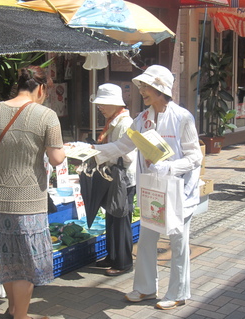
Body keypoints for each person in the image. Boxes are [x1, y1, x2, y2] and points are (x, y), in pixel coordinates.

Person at [92, 65, 203, 310]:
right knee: (145, 239)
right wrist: (90, 150)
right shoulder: (142, 119)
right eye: (141, 87)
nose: (141, 91)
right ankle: (145, 288)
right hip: (153, 191)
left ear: (161, 88)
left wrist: (170, 167)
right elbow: (122, 146)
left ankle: (178, 292)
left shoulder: (182, 117)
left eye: (146, 87)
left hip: (179, 191)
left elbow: (195, 157)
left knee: (178, 241)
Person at [0, 65, 65, 319]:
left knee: (5, 256)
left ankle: (14, 309)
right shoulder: (47, 116)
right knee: (26, 263)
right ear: (41, 88)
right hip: (28, 199)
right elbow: (57, 158)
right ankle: (21, 316)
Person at [90, 83, 137, 276]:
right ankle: (112, 256)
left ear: (114, 104)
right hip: (114, 176)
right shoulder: (114, 121)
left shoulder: (125, 123)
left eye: (103, 104)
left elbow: (126, 154)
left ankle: (123, 262)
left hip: (123, 178)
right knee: (112, 217)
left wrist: (96, 153)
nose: (100, 107)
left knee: (120, 219)